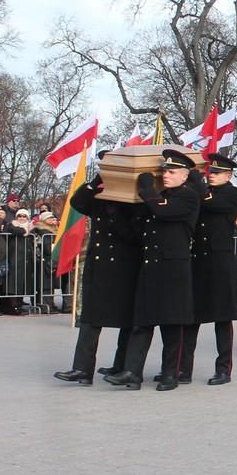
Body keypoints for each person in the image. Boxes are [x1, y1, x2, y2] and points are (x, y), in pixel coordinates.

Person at [104, 150, 201, 390]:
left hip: (174, 269)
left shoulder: (189, 197)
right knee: (142, 322)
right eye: (164, 172)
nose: (166, 176)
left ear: (184, 176)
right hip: (151, 265)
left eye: (171, 172)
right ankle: (132, 372)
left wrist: (146, 189)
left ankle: (171, 373)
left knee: (172, 323)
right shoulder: (158, 197)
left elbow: (164, 211)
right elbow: (143, 224)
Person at [54, 153, 143, 385]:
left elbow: (134, 234)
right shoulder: (99, 194)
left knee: (126, 318)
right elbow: (77, 202)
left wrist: (115, 213)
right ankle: (82, 369)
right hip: (99, 263)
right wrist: (96, 180)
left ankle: (121, 366)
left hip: (125, 265)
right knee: (90, 318)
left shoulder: (134, 197)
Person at [181, 153, 237, 384]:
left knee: (222, 317)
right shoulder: (199, 192)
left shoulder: (231, 193)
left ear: (228, 175)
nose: (211, 176)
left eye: (216, 173)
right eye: (210, 173)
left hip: (219, 262)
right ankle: (183, 368)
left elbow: (210, 203)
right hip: (198, 260)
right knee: (191, 317)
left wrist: (196, 182)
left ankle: (223, 369)